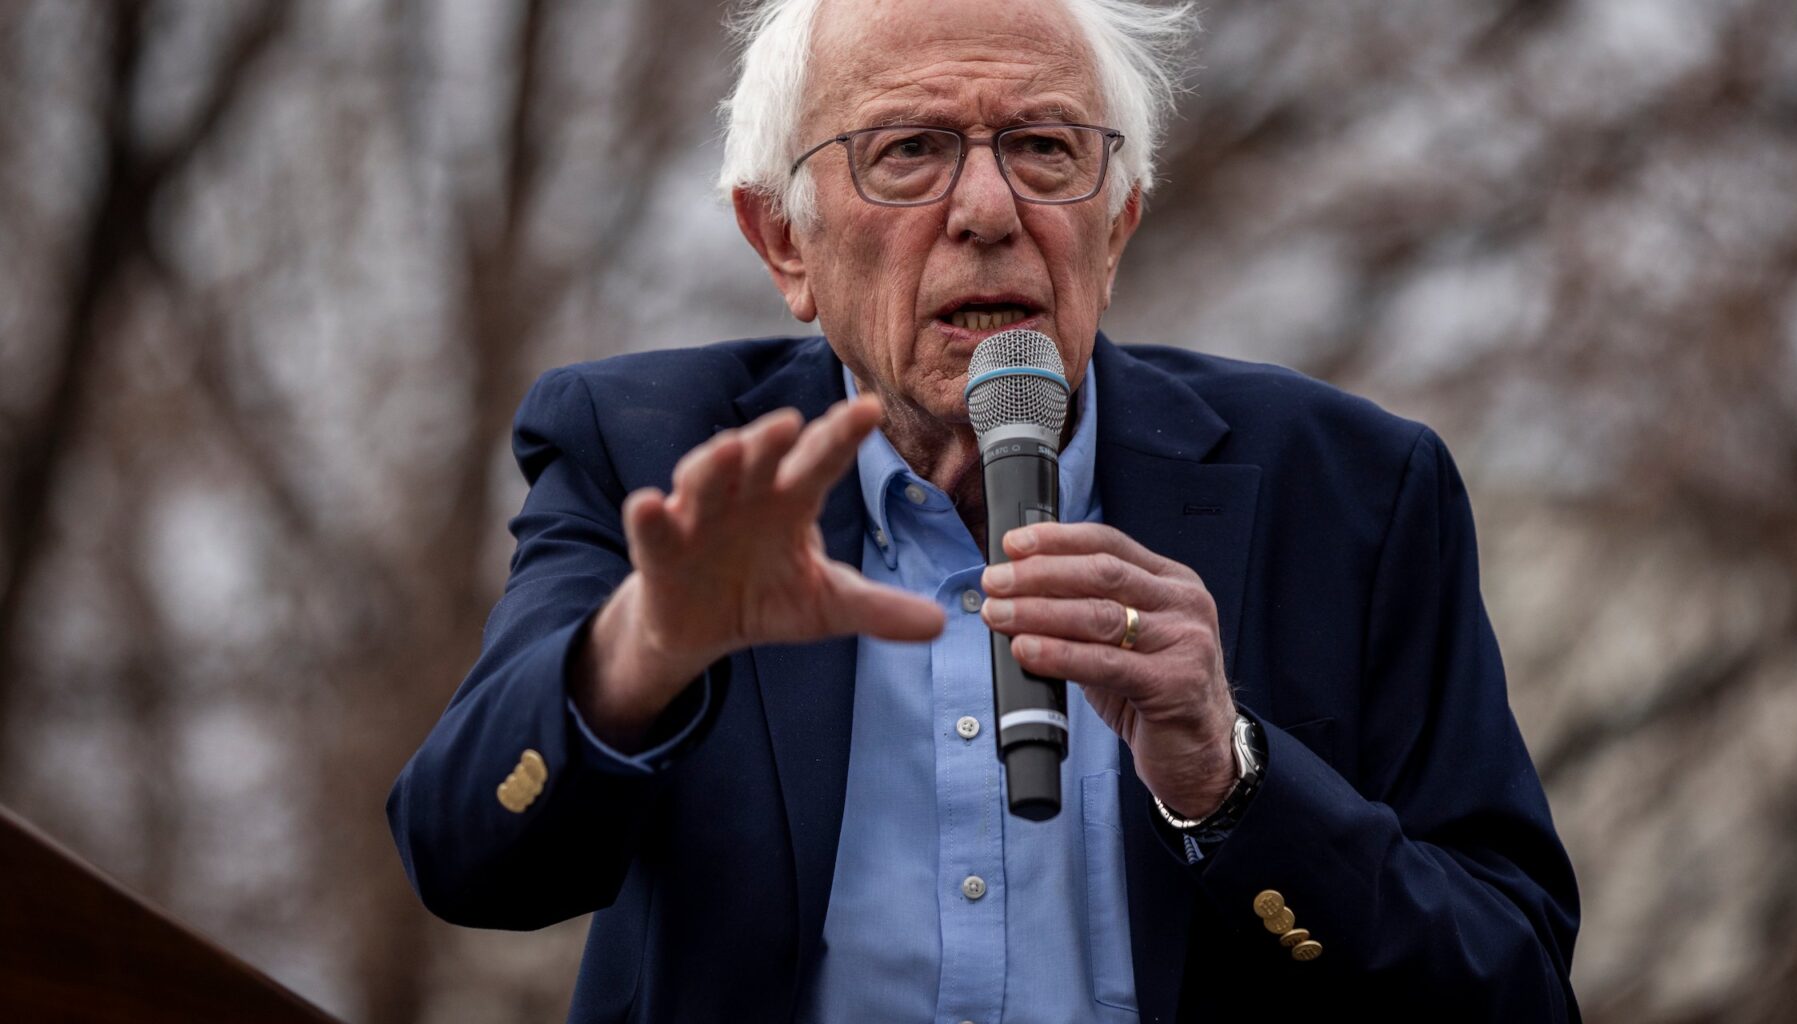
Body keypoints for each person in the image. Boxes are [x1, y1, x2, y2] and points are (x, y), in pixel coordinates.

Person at [387, 0, 1582, 1019]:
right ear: (782, 241)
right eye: (909, 149)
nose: (988, 208)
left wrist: (1233, 779)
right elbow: (462, 854)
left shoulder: (1355, 494)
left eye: (1045, 148)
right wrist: (644, 649)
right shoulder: (653, 454)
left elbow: (1515, 980)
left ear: (1116, 226)